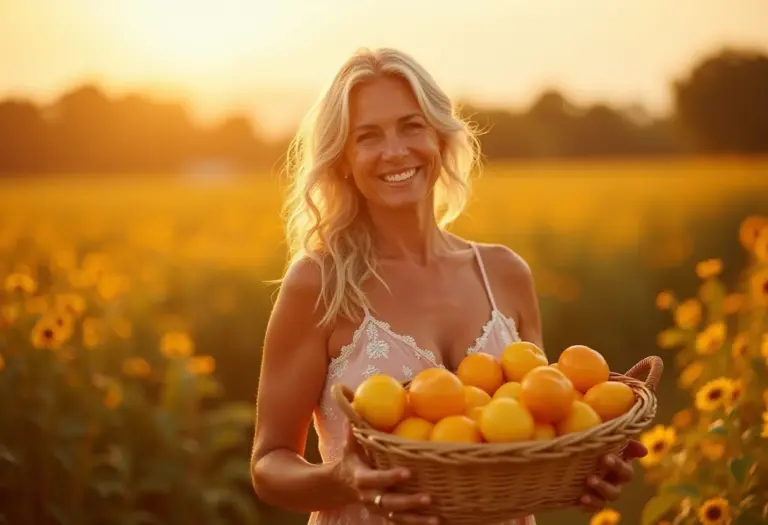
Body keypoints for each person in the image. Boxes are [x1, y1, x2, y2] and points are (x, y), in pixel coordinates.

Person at [250, 47, 647, 525]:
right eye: (368, 136)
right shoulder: (318, 283)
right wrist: (341, 480)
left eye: (411, 126)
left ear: (439, 137)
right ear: (343, 161)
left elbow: (536, 433)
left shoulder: (505, 275)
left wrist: (583, 465)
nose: (395, 150)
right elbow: (269, 464)